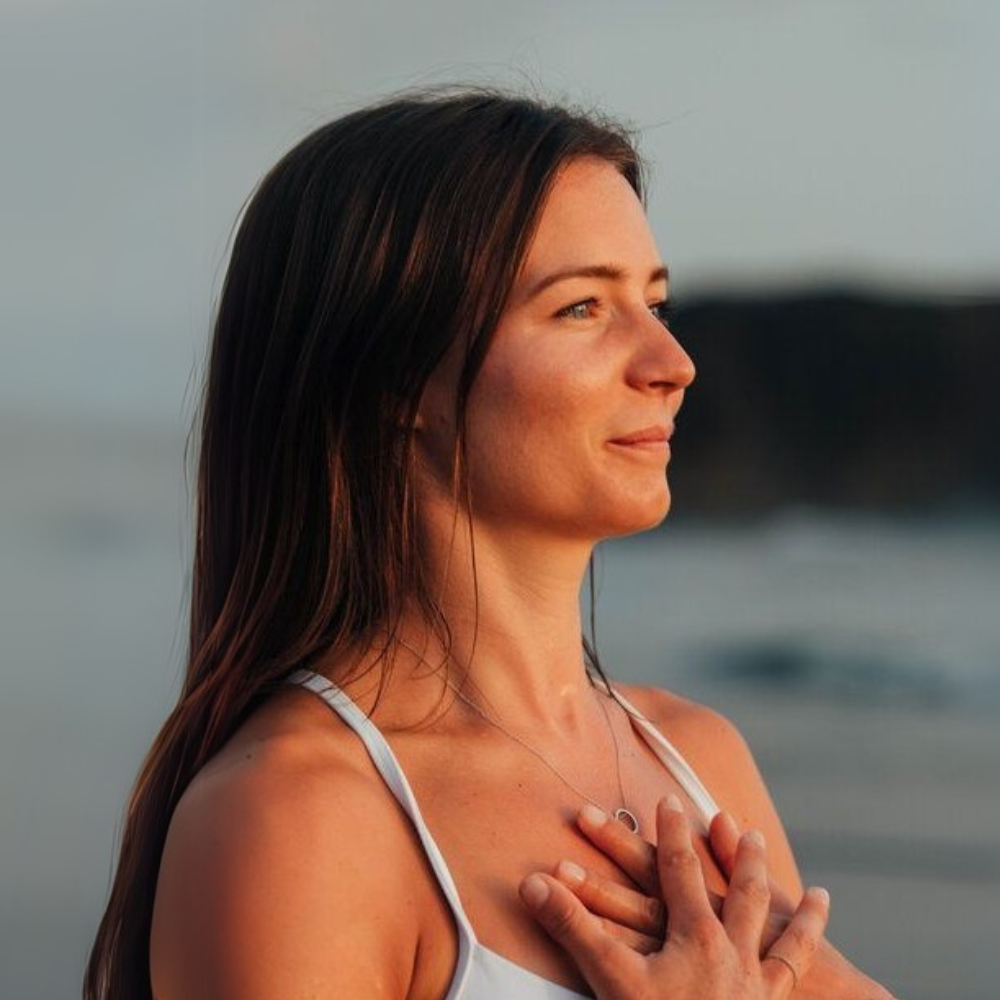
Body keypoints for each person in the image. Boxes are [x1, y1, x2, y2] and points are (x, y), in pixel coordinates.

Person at [85, 89, 894, 1000]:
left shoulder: (700, 758)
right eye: (582, 308)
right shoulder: (298, 815)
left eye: (655, 302)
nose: (671, 363)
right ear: (394, 378)